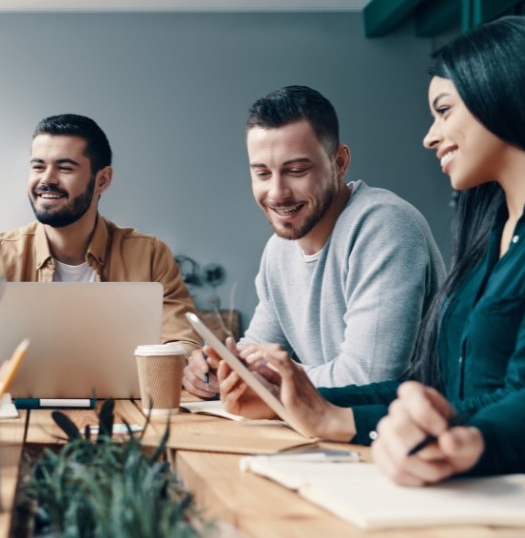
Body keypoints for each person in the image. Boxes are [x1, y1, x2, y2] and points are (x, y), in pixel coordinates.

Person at [214, 17, 525, 485]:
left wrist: (342, 420)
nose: (429, 136)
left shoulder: (388, 224)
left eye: (443, 111)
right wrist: (302, 401)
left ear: (502, 95)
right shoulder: (488, 229)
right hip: (471, 485)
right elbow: (438, 389)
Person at [183, 86, 445, 397]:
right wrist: (217, 370)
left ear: (340, 162)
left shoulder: (384, 226)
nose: (278, 192)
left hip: (403, 434)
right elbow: (255, 351)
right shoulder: (278, 250)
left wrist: (265, 378)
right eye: (263, 174)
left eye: (296, 171)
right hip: (327, 431)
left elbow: (367, 378)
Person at [0, 113, 199, 382]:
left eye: (65, 167)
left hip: (124, 413)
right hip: (17, 416)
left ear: (102, 180)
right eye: (38, 167)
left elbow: (183, 342)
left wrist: (189, 366)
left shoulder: (150, 255)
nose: (47, 179)